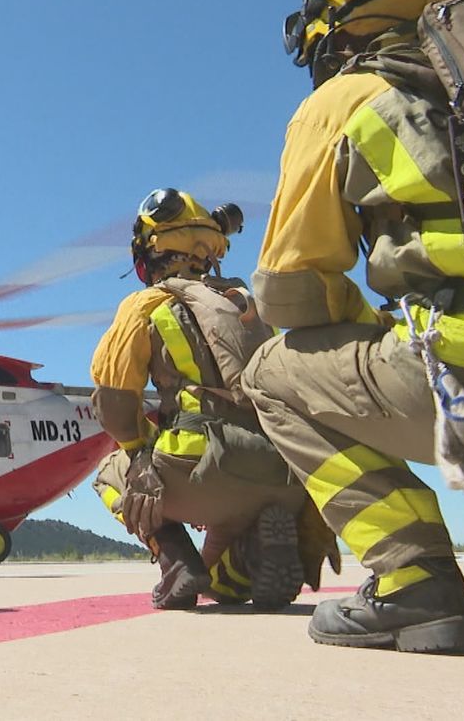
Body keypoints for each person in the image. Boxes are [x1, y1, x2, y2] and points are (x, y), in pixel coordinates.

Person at [242, 0, 464, 652]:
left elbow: (290, 297)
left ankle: (415, 576)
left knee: (269, 370)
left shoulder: (345, 99)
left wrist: (377, 323)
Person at [90, 188, 329, 611]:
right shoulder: (246, 304)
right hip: (284, 474)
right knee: (222, 584)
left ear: (151, 250)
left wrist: (139, 455)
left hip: (202, 467)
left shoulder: (148, 304)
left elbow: (113, 400)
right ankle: (253, 553)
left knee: (109, 472)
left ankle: (176, 561)